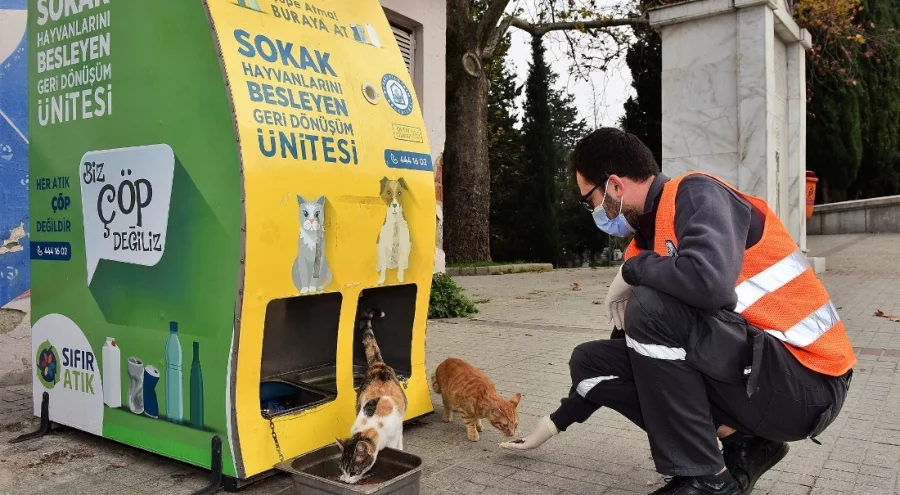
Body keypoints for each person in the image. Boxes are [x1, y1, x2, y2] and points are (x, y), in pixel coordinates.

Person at [499, 128, 855, 495]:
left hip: (810, 382)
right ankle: (744, 445)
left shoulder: (699, 193)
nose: (592, 211)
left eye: (589, 198)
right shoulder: (645, 242)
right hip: (758, 374)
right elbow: (636, 349)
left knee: (649, 308)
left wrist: (632, 273)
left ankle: (705, 479)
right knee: (591, 362)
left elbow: (710, 284)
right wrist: (556, 421)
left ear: (615, 187)